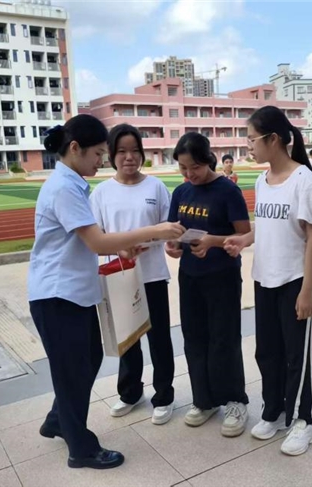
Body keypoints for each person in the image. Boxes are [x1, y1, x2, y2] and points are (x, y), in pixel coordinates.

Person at [28, 115, 185, 470]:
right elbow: (97, 241)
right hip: (57, 295)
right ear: (75, 148)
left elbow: (89, 240)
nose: (102, 160)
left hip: (75, 293)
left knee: (89, 358)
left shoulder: (74, 184)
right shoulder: (64, 188)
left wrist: (124, 247)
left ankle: (58, 419)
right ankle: (80, 448)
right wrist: (156, 231)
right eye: (98, 153)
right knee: (72, 369)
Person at [224, 105, 312, 456]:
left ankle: (305, 420)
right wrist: (244, 240)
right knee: (267, 352)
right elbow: (267, 226)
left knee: (298, 356)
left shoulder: (303, 180)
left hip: (296, 280)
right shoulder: (261, 181)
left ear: (274, 139)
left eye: (252, 139)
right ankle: (276, 410)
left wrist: (307, 290)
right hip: (264, 279)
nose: (248, 146)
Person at [89, 124, 175, 426]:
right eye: (122, 151)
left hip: (152, 275)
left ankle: (163, 396)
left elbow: (168, 229)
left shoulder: (156, 188)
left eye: (135, 151)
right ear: (111, 155)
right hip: (119, 275)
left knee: (159, 338)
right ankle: (130, 392)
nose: (129, 157)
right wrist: (121, 248)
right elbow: (97, 236)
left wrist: (162, 242)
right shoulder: (101, 193)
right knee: (128, 338)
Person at [166, 132, 251, 437]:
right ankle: (204, 400)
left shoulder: (227, 190)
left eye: (195, 167)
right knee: (194, 338)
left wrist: (213, 242)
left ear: (208, 160)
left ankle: (235, 401)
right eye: (183, 168)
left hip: (222, 276)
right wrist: (173, 246)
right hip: (190, 276)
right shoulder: (181, 192)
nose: (189, 174)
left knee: (223, 338)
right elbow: (175, 232)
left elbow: (244, 234)